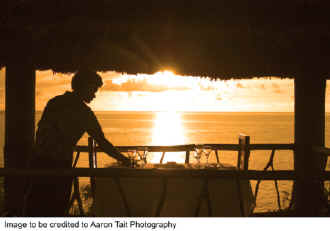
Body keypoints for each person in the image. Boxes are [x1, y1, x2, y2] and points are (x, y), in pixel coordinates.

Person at [25, 69, 130, 216]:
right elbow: (102, 142)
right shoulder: (84, 113)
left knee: (35, 210)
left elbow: (41, 135)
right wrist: (124, 159)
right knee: (55, 212)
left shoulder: (54, 102)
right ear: (84, 86)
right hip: (60, 167)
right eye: (93, 90)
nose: (94, 95)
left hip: (39, 164)